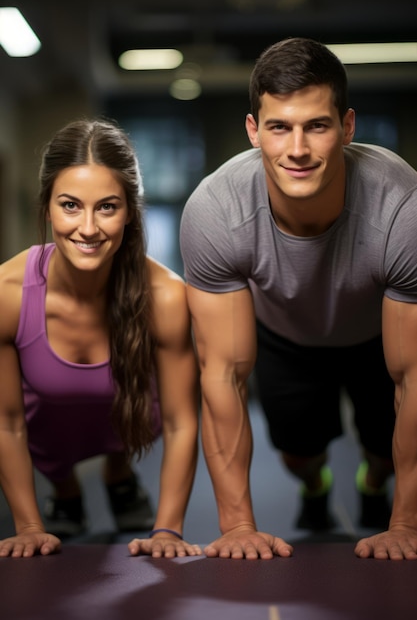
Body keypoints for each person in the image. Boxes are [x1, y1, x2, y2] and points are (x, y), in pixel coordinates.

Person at [180, 36, 417, 560]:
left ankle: (373, 487)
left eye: (317, 125)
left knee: (383, 452)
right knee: (297, 454)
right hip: (284, 332)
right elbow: (222, 376)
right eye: (278, 127)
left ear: (347, 127)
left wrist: (407, 524)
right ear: (253, 132)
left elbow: (414, 378)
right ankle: (316, 488)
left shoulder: (403, 206)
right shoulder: (216, 212)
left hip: (376, 332)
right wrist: (238, 527)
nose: (298, 149)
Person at [0, 118, 201, 559]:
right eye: (70, 205)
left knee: (127, 391)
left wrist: (168, 529)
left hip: (127, 416)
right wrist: (29, 526)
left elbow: (181, 421)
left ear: (130, 210)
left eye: (107, 207)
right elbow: (8, 422)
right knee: (50, 406)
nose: (88, 228)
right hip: (48, 428)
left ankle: (118, 474)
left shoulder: (166, 296)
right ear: (47, 206)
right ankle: (65, 489)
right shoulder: (8, 293)